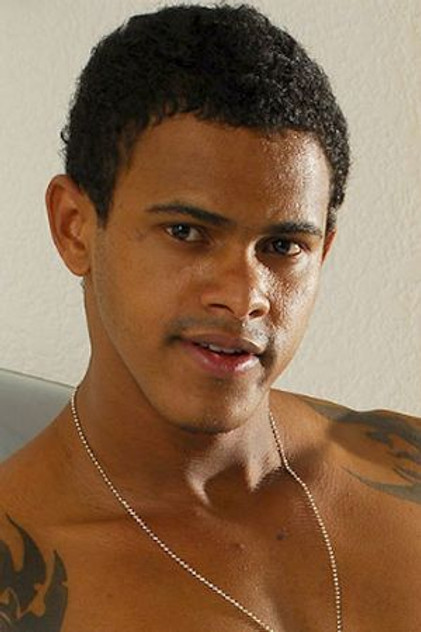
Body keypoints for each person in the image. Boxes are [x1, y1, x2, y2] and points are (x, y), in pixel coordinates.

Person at [0, 3, 419, 631]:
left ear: (323, 253)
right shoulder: (22, 572)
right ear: (74, 227)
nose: (244, 295)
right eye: (186, 232)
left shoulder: (404, 473)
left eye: (283, 246)